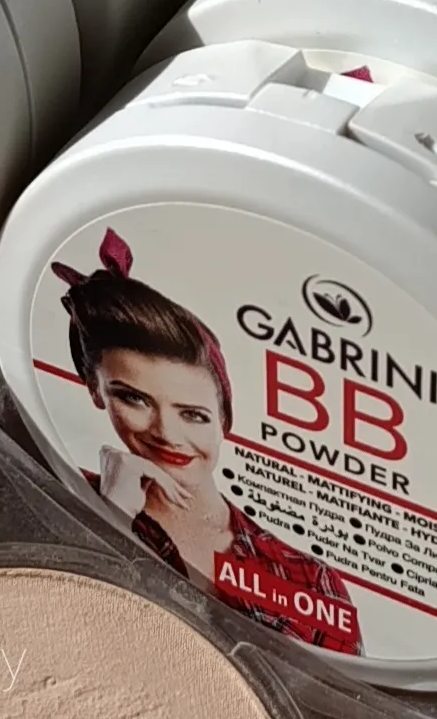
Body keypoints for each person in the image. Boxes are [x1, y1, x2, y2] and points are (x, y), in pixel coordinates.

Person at [55, 232, 362, 654]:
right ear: (96, 391)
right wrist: (112, 519)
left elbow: (331, 690)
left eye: (193, 415)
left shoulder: (312, 582)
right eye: (134, 399)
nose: (166, 433)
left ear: (224, 420)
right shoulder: (62, 496)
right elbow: (61, 633)